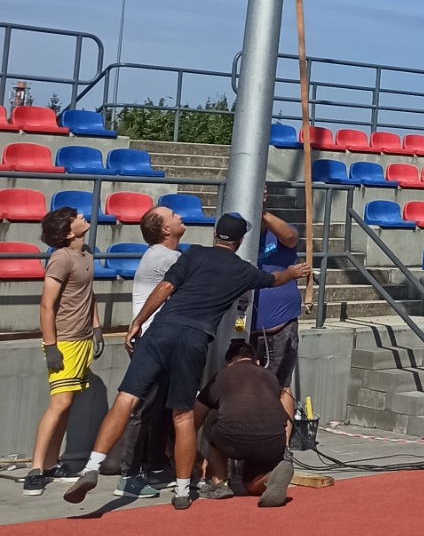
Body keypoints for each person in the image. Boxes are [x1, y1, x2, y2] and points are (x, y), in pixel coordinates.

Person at [62, 213, 307, 512]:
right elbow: (274, 279)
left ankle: (92, 466)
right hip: (194, 339)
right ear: (241, 240)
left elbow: (165, 289)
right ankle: (181, 490)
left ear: (215, 234)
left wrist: (137, 322)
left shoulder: (194, 254)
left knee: (126, 400)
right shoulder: (244, 271)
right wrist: (293, 273)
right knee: (183, 415)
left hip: (162, 329)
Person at [22, 207, 102, 499]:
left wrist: (96, 327)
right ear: (69, 231)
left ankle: (52, 464)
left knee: (67, 404)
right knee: (60, 402)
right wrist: (51, 345)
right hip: (64, 341)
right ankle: (35, 470)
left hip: (81, 340)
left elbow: (88, 293)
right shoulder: (60, 258)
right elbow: (46, 305)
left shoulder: (87, 254)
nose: (84, 217)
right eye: (77, 217)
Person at [111, 205, 189, 499]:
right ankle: (128, 475)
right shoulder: (166, 257)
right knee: (144, 409)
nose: (179, 215)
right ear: (165, 230)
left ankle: (156, 465)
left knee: (159, 408)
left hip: (162, 341)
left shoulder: (165, 256)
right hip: (154, 343)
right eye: (172, 215)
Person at [196, 338, 297, 506]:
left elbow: (195, 418)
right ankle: (269, 478)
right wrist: (284, 445)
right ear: (256, 361)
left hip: (234, 439)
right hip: (272, 442)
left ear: (228, 363)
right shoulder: (270, 376)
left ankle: (219, 482)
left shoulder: (222, 376)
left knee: (214, 415)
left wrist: (195, 459)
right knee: (249, 483)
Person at [250, 190, 302, 389]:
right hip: (246, 326)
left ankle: (284, 422)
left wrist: (262, 212)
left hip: (281, 323)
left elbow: (290, 237)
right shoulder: (241, 236)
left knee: (280, 385)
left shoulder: (280, 231)